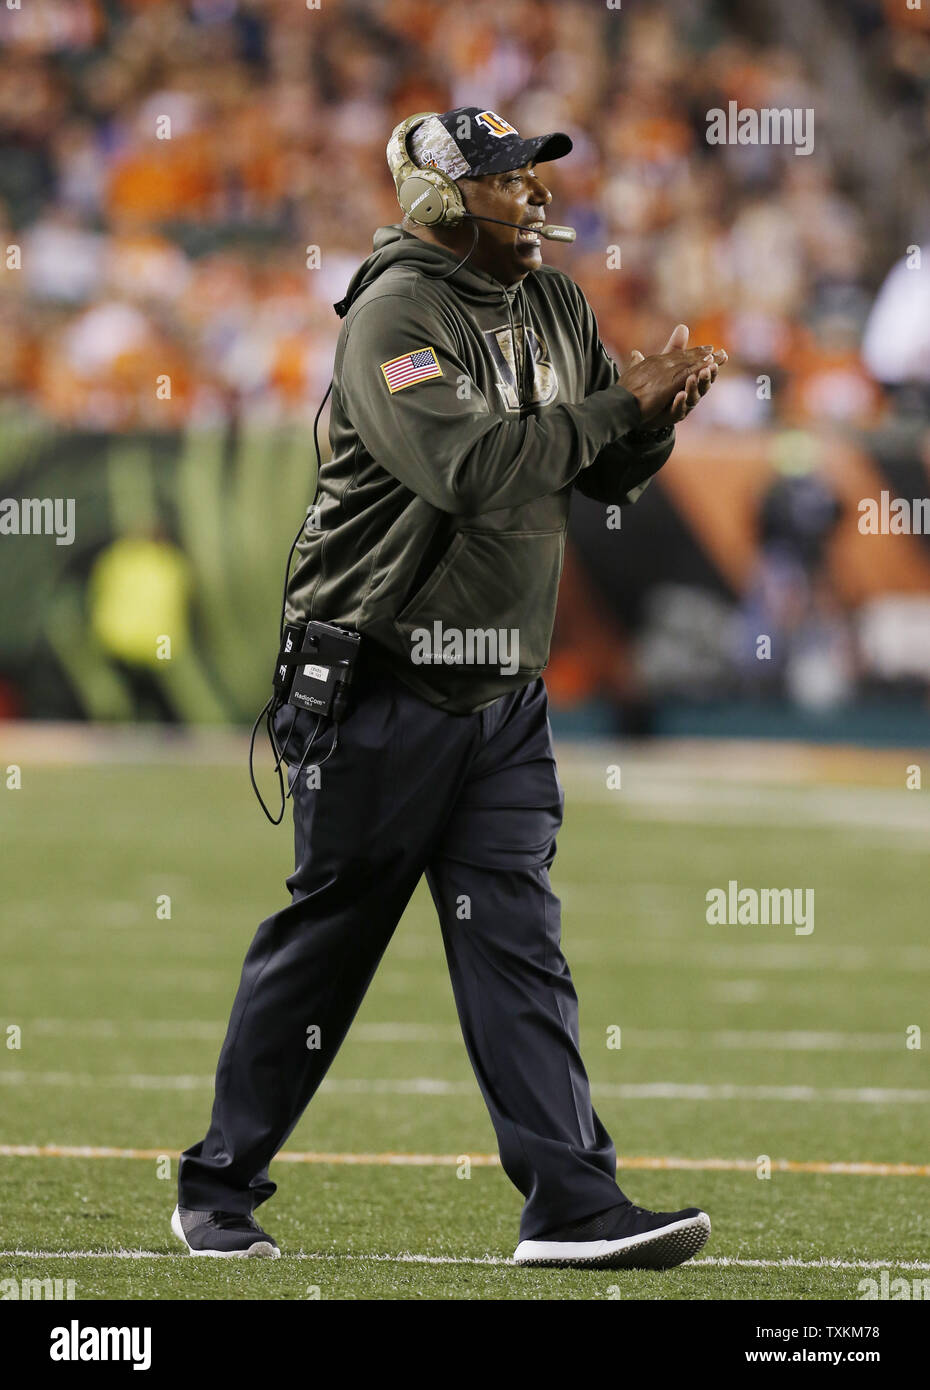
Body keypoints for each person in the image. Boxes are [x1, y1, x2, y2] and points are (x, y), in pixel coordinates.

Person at [173, 106, 727, 1268]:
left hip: (500, 692)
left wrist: (657, 416)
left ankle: (572, 1204)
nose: (529, 194)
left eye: (531, 174)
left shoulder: (554, 301)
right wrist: (620, 405)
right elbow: (473, 469)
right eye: (502, 180)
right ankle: (216, 1183)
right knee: (331, 940)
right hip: (383, 678)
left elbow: (600, 461)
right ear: (435, 202)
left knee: (519, 939)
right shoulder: (394, 315)